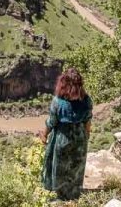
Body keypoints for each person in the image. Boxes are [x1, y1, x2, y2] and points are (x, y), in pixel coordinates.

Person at [40, 68, 93, 201]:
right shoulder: (86, 100)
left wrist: (44, 135)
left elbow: (51, 122)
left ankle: (61, 197)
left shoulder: (58, 102)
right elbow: (88, 120)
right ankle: (74, 194)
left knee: (60, 168)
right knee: (77, 166)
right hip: (80, 137)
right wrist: (86, 135)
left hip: (62, 138)